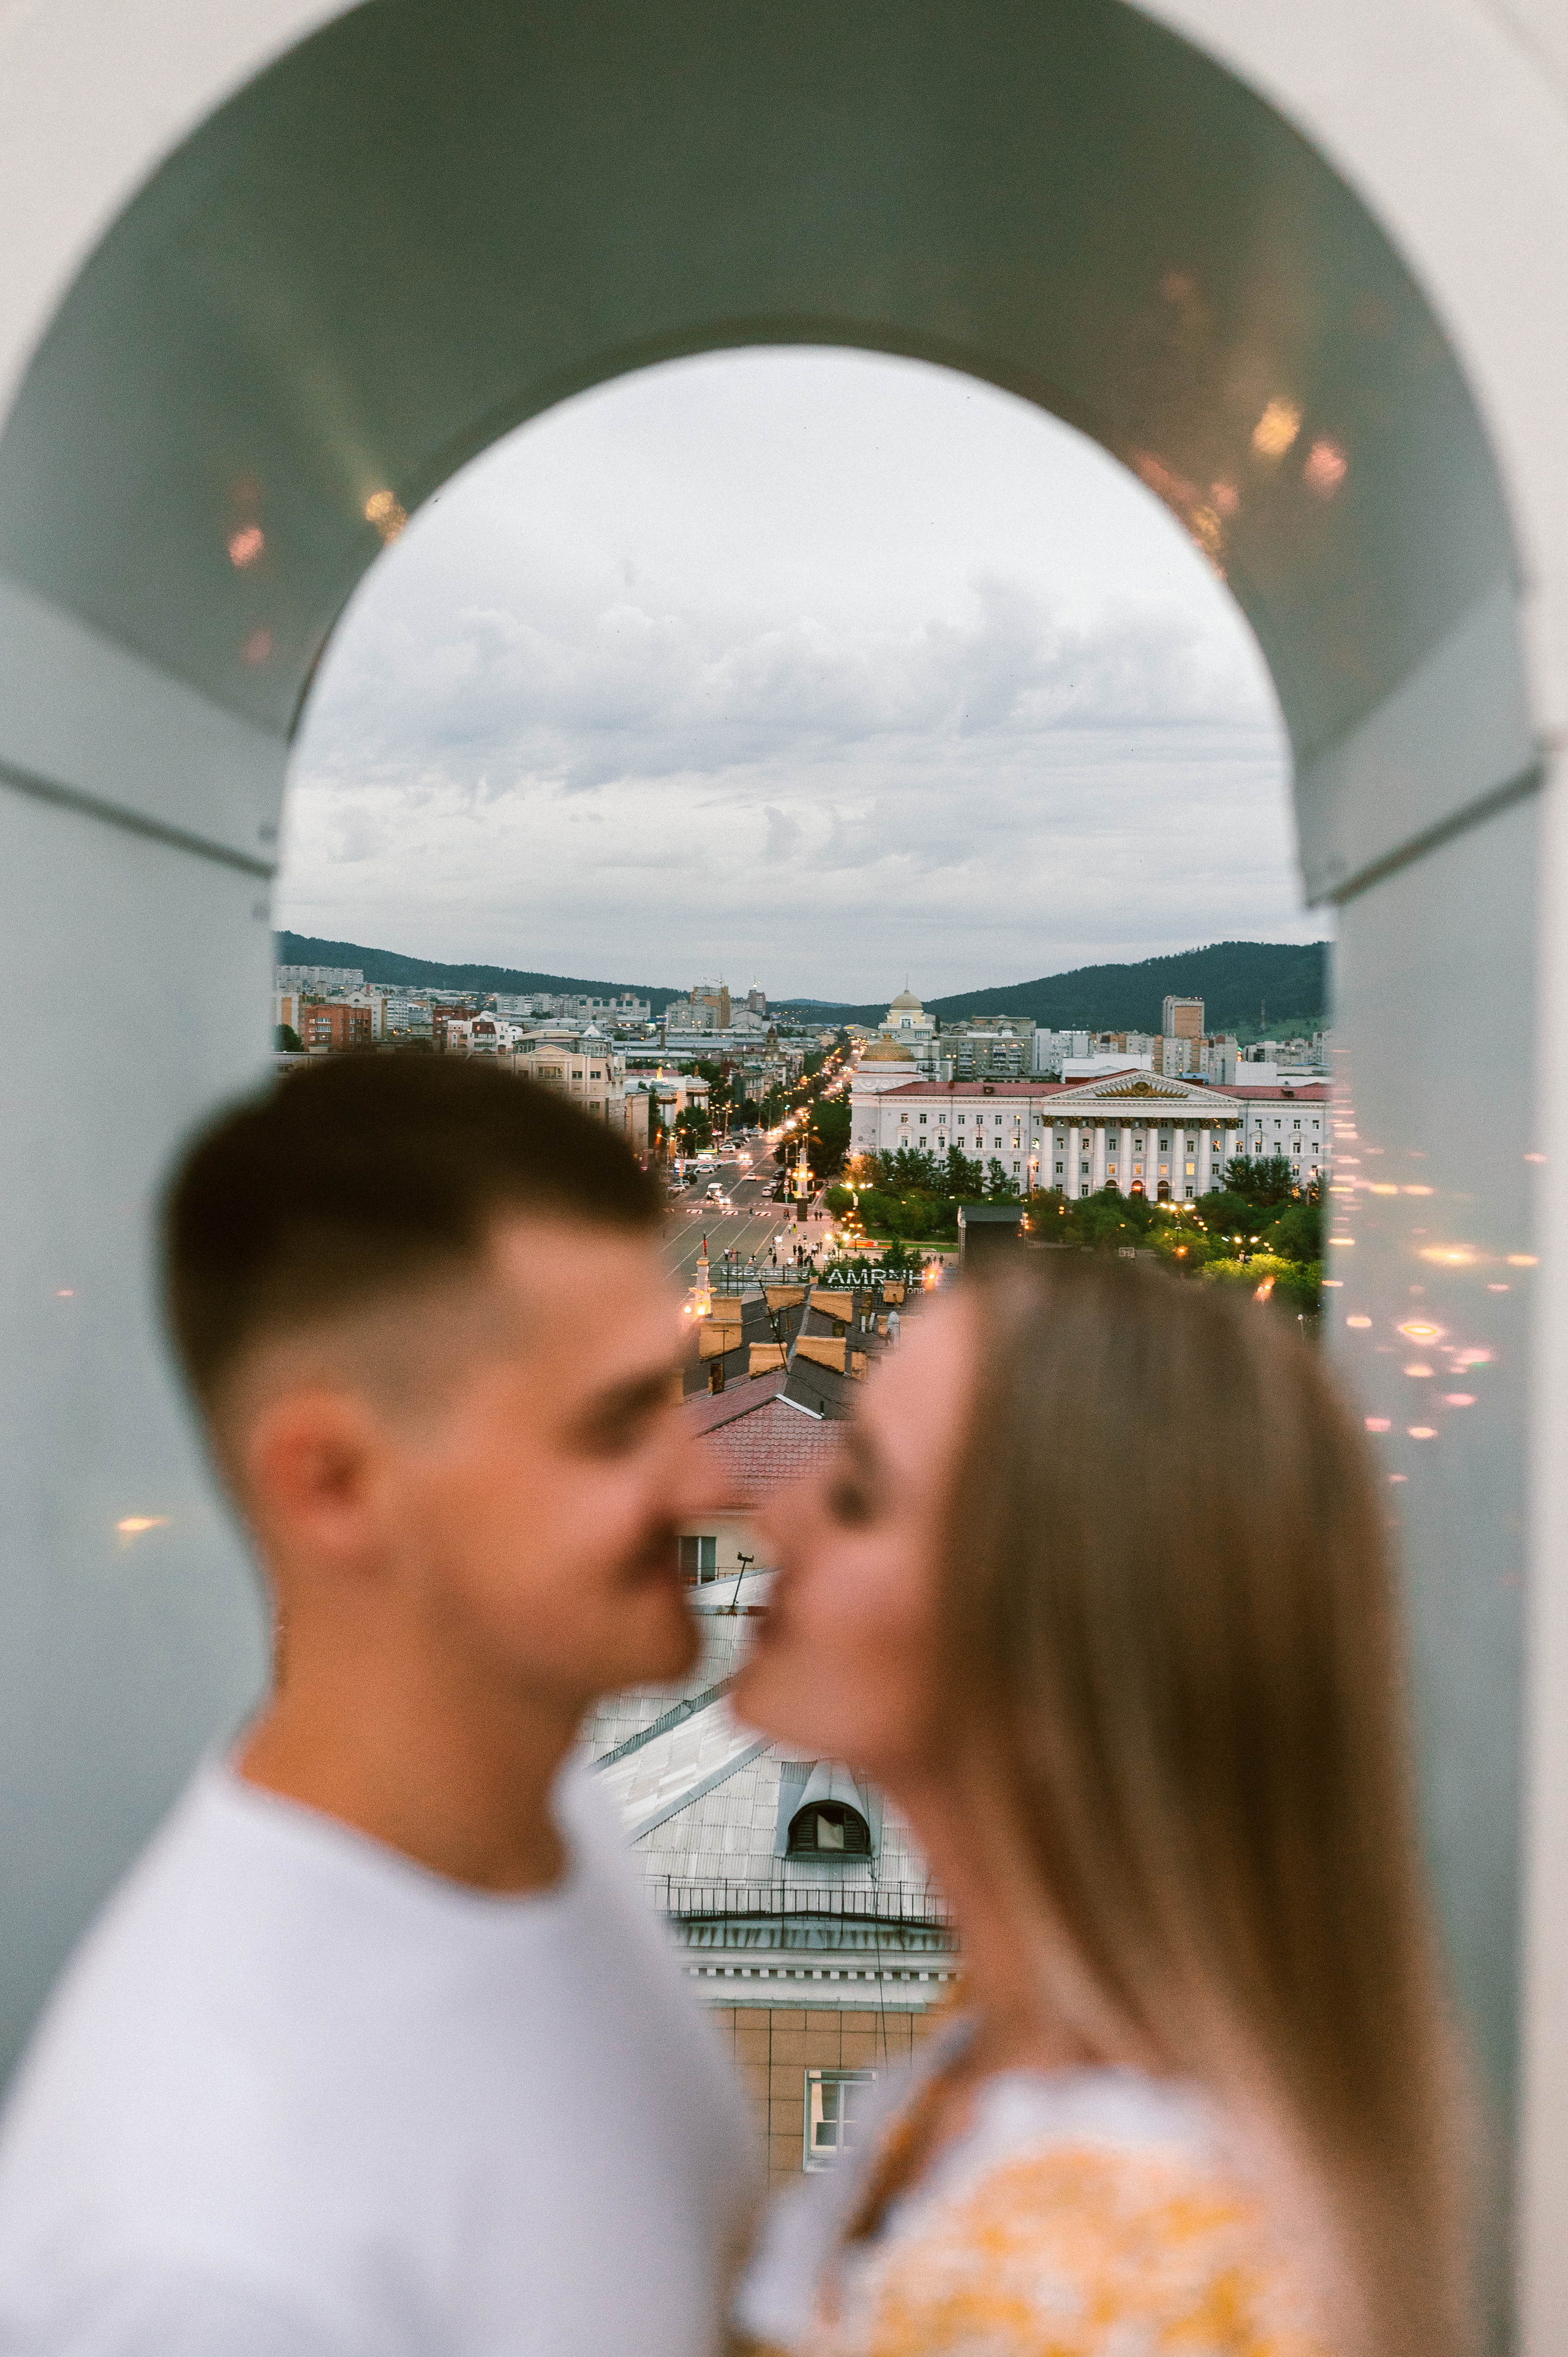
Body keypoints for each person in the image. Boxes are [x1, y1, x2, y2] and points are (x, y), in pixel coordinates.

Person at [0, 1054, 756, 2356]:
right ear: (335, 1482)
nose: (699, 1487)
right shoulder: (206, 2260)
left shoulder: (543, 1828)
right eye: (612, 1425)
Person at [731, 1255, 1471, 2357]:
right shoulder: (1019, 2061)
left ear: (1045, 1662)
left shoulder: (1101, 2264)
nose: (777, 1518)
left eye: (858, 1496)